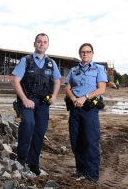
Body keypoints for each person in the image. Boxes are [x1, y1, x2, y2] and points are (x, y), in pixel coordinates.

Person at [12, 33, 61, 175]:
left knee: (40, 131)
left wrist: (54, 95)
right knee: (28, 124)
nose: (41, 44)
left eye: (44, 42)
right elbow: (15, 80)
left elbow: (57, 81)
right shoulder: (26, 61)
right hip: (28, 100)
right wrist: (25, 99)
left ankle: (33, 163)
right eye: (39, 42)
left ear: (47, 45)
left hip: (43, 103)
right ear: (34, 44)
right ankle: (21, 158)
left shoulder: (51, 63)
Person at [65, 43, 108, 183]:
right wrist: (73, 99)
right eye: (83, 52)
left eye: (88, 52)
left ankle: (93, 175)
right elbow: (68, 87)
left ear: (92, 54)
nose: (85, 54)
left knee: (90, 141)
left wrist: (85, 97)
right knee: (76, 140)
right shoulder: (73, 70)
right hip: (75, 108)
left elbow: (101, 89)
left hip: (89, 109)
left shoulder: (99, 69)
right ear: (79, 54)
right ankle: (80, 170)